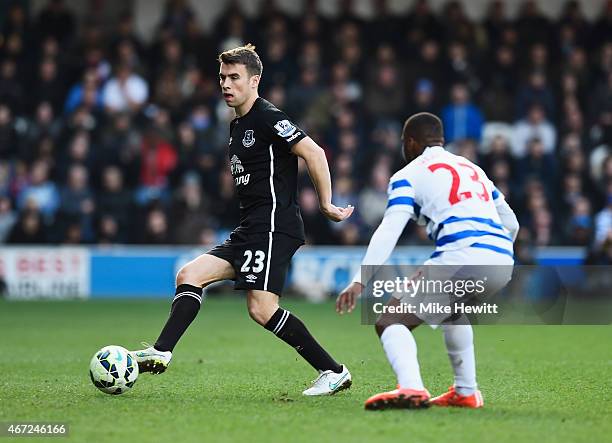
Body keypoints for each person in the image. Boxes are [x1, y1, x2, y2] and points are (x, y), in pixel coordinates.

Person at [132, 44, 354, 396]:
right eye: (222, 77)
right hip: (250, 227)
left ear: (255, 81)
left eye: (234, 77)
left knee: (262, 309)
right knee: (189, 275)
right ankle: (161, 352)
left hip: (272, 224)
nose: (226, 84)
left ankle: (333, 371)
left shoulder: (268, 117)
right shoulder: (237, 125)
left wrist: (326, 203)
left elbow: (314, 152)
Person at [336, 113, 519, 409]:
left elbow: (389, 230)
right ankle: (466, 392)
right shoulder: (473, 168)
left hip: (462, 256)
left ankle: (411, 389)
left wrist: (359, 280)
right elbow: (511, 224)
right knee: (452, 313)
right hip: (502, 259)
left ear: (410, 142)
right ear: (441, 140)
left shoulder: (409, 173)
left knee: (390, 321)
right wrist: (490, 257)